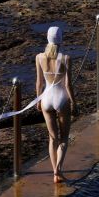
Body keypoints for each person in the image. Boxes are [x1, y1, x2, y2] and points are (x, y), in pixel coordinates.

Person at [36, 26, 75, 183]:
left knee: (53, 138)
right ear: (61, 39)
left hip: (46, 98)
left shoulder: (39, 57)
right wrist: (74, 102)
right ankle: (58, 170)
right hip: (61, 98)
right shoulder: (66, 58)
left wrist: (38, 100)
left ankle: (54, 172)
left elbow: (39, 83)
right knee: (64, 138)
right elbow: (68, 85)